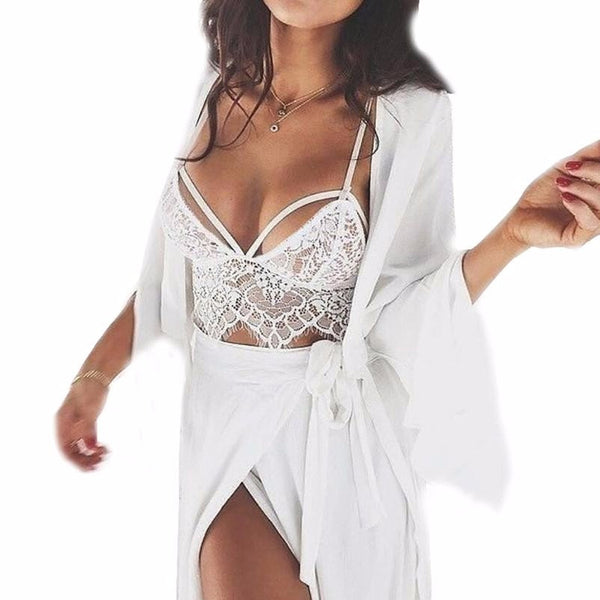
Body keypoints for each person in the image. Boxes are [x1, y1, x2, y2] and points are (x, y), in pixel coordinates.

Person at [55, 1, 600, 599]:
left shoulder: (407, 118)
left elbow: (404, 311)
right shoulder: (216, 88)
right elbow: (174, 278)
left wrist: (513, 234)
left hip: (338, 452)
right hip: (217, 431)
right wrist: (94, 377)